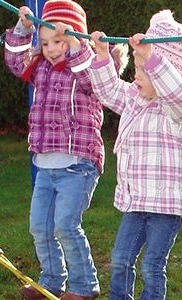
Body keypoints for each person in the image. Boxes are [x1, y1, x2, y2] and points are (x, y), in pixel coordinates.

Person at [4, 1, 106, 299]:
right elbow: (14, 61)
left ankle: (84, 287)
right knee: (40, 227)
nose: (50, 48)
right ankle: (50, 282)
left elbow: (92, 79)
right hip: (46, 166)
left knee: (65, 226)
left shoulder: (88, 71)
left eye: (58, 41)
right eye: (45, 41)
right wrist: (23, 29)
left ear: (76, 39)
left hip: (78, 164)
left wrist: (76, 47)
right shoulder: (40, 69)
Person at [89, 10, 182, 300]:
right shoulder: (134, 98)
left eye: (146, 71)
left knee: (152, 265)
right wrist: (103, 56)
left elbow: (175, 91)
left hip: (167, 205)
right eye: (137, 69)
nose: (137, 76)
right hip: (136, 201)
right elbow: (107, 90)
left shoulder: (174, 111)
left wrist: (152, 59)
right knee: (120, 259)